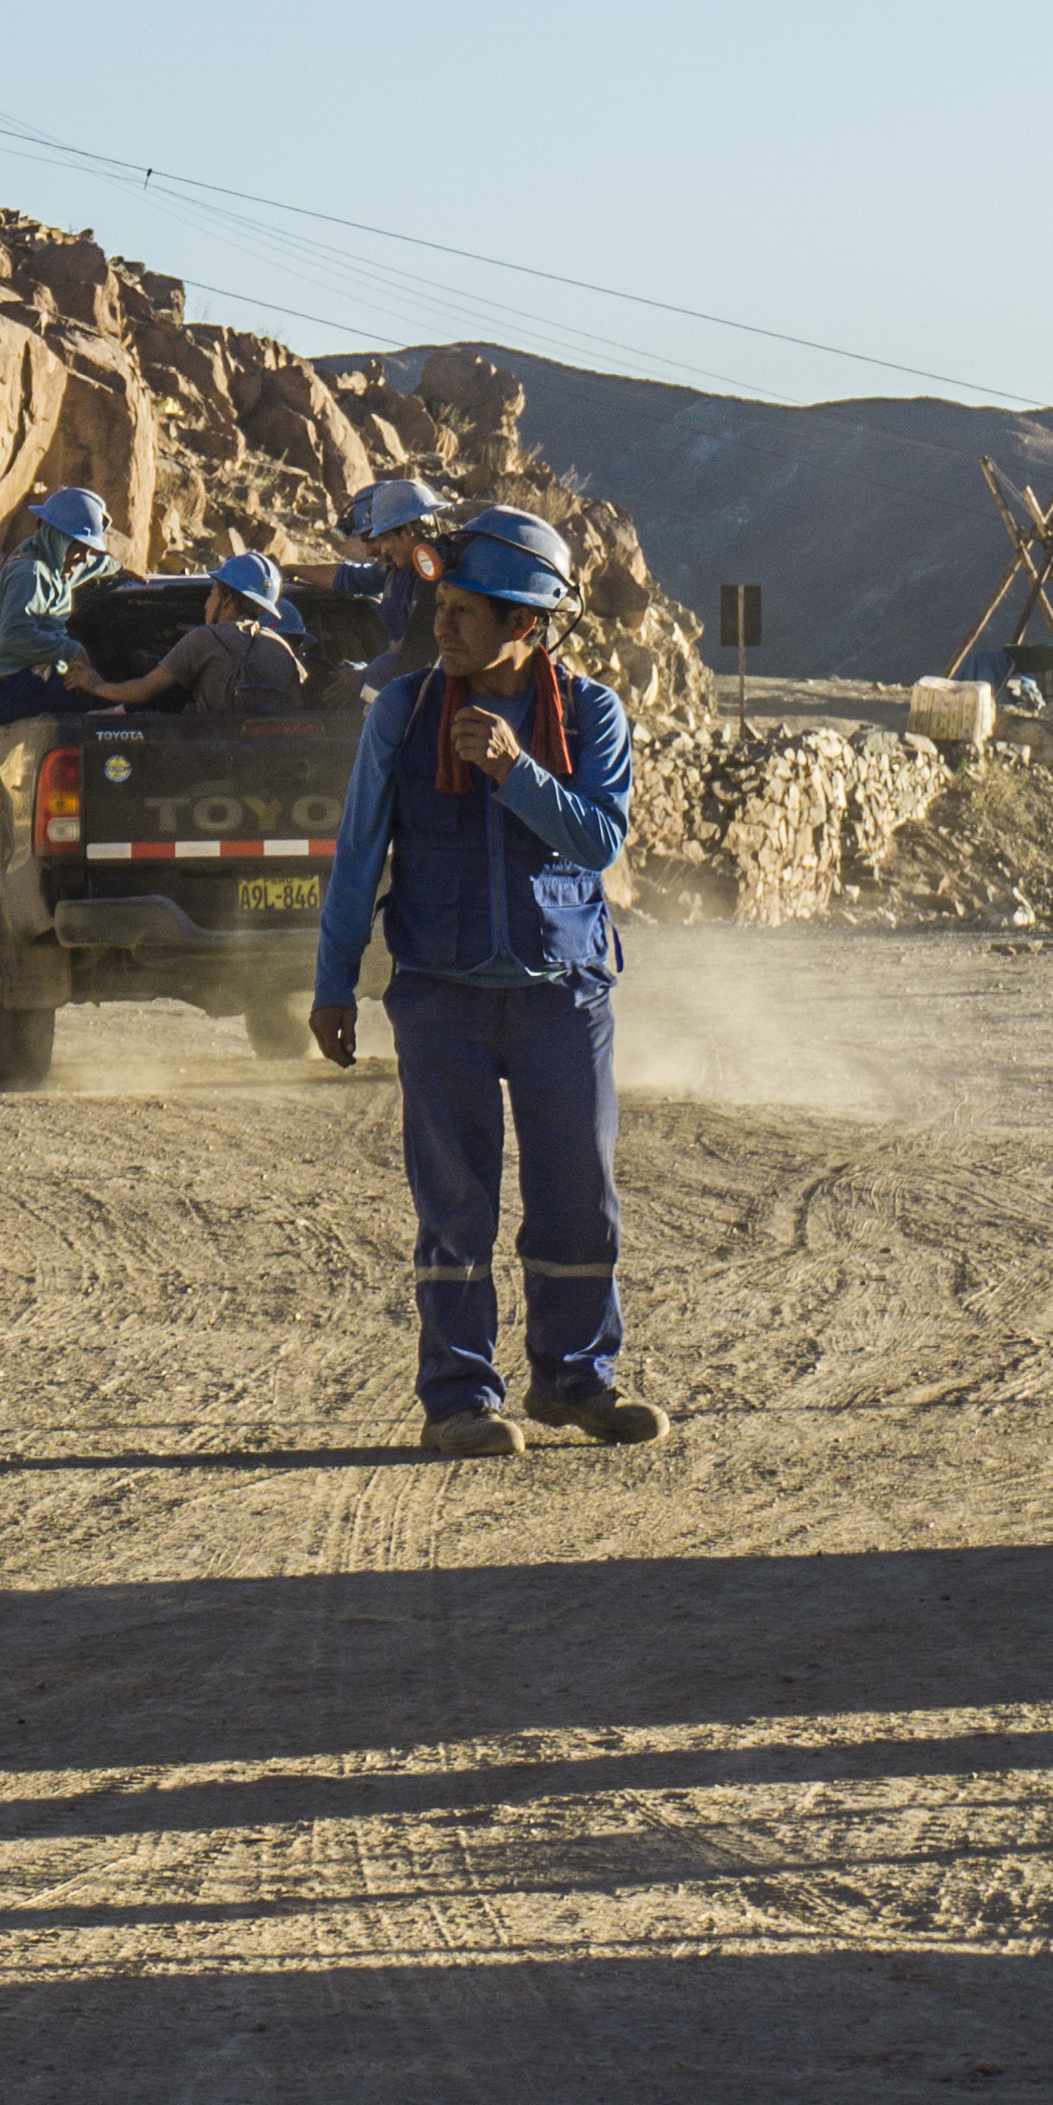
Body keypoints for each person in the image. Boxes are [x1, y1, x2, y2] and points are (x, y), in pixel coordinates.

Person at [306, 504, 663, 1460]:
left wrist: (514, 771)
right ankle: (459, 1397)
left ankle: (574, 1381)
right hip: (440, 993)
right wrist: (333, 983)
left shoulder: (589, 714)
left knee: (578, 1194)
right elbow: (358, 852)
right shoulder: (403, 711)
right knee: (454, 1203)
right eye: (442, 605)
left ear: (525, 624)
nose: (444, 624)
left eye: (467, 611)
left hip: (563, 994)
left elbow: (599, 839)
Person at [0, 486, 124, 725]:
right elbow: (13, 634)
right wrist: (72, 651)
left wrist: (119, 569)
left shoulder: (55, 567)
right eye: (79, 546)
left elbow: (92, 566)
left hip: (16, 686)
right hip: (9, 690)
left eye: (88, 549)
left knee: (107, 691)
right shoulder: (30, 573)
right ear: (58, 538)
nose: (84, 557)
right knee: (120, 699)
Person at [85, 551, 305, 714]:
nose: (206, 605)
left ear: (227, 601)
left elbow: (143, 691)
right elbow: (298, 708)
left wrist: (95, 685)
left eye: (212, 594)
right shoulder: (283, 649)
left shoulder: (204, 639)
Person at [332, 478, 450, 684]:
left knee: (381, 669)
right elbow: (348, 578)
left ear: (408, 531)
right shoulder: (399, 570)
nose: (381, 549)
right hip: (410, 676)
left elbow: (420, 641)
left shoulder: (437, 574)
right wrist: (291, 569)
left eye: (383, 539)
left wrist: (362, 678)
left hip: (425, 680)